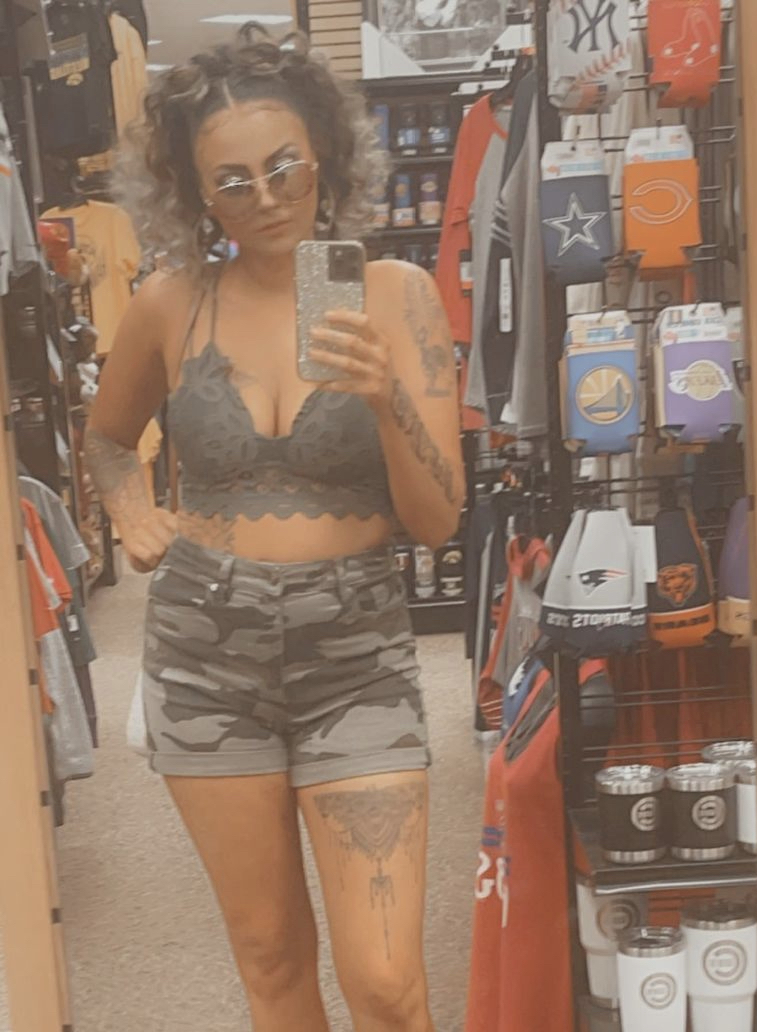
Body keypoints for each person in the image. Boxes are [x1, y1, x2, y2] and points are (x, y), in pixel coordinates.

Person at [84, 26, 463, 1032]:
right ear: (195, 194)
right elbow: (108, 440)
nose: (266, 195)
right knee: (270, 960)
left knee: (387, 983)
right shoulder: (168, 304)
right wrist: (132, 509)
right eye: (233, 180)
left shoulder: (396, 295)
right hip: (205, 655)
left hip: (356, 658)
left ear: (324, 153)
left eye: (284, 164)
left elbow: (438, 521)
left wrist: (385, 398)